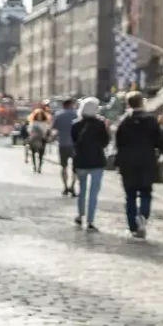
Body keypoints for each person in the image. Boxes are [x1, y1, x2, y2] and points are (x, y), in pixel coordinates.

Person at [114, 91, 163, 239]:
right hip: (146, 160)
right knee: (146, 192)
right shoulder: (151, 120)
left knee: (130, 195)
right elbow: (159, 141)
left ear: (128, 104)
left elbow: (118, 142)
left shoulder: (124, 121)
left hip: (127, 161)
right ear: (142, 102)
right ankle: (143, 216)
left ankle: (133, 226)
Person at [70, 97, 111, 232]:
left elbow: (74, 142)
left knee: (82, 190)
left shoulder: (75, 125)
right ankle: (90, 220)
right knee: (93, 193)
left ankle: (80, 215)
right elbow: (105, 142)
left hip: (81, 161)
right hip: (97, 161)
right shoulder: (100, 124)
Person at [51, 98, 79, 196]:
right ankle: (72, 186)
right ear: (71, 104)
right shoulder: (77, 114)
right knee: (76, 168)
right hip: (75, 145)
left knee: (64, 167)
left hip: (62, 144)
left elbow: (54, 128)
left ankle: (65, 187)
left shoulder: (58, 115)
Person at [25, 108, 51, 174]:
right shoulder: (33, 123)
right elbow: (29, 130)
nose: (39, 117)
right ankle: (34, 167)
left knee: (41, 155)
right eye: (38, 115)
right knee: (33, 153)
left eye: (40, 115)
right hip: (34, 139)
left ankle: (39, 167)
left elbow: (46, 130)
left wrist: (44, 135)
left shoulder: (45, 123)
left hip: (42, 139)